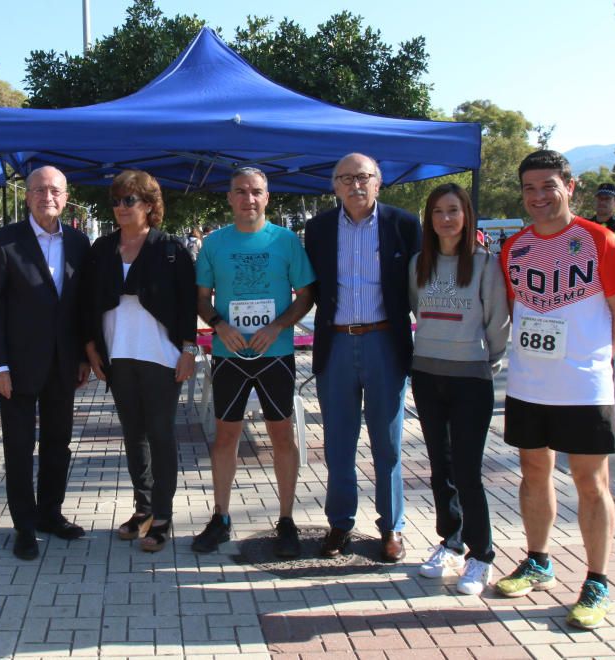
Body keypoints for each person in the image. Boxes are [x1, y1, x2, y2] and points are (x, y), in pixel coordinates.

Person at [496, 150, 615, 630]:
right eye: (530, 188)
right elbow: (518, 313)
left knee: (590, 482)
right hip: (529, 384)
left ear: (570, 187)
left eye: (548, 186)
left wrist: (598, 360)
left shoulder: (599, 240)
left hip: (584, 387)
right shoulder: (513, 247)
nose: (538, 197)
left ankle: (597, 580)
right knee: (533, 472)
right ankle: (538, 559)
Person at [191, 167, 315, 558]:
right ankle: (221, 516)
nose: (248, 198)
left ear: (267, 197)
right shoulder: (215, 243)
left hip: (274, 354)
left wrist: (278, 324)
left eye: (256, 192)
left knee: (282, 436)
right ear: (229, 197)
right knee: (226, 437)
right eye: (240, 192)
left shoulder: (286, 241)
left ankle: (287, 520)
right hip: (231, 356)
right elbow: (200, 298)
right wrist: (218, 324)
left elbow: (306, 295)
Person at [303, 152, 421, 562]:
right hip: (335, 343)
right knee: (338, 443)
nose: (355, 185)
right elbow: (310, 286)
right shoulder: (316, 228)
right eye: (346, 178)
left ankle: (391, 527)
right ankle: (340, 524)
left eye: (364, 177)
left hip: (384, 342)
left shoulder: (403, 225)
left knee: (386, 444)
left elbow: (420, 284)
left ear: (379, 181)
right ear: (334, 186)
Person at [0, 165, 91, 561]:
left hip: (64, 365)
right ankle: (23, 525)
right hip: (18, 367)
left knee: (58, 444)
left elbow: (82, 307)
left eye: (55, 190)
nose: (48, 197)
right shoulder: (4, 242)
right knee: (19, 448)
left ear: (66, 196)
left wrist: (83, 357)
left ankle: (50, 515)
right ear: (27, 196)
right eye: (40, 190)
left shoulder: (79, 243)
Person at [83, 170, 197, 552]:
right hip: (119, 355)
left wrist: (188, 350)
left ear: (149, 206)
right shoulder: (102, 248)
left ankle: (162, 516)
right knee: (134, 435)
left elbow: (186, 304)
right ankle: (143, 507)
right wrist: (91, 348)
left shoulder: (170, 249)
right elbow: (88, 305)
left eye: (129, 200)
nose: (120, 207)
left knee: (161, 434)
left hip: (161, 357)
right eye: (116, 201)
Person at [408, 183, 510, 596]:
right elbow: (417, 309)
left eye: (453, 210)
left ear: (466, 216)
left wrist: (486, 360)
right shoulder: (418, 263)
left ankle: (481, 555)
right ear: (428, 219)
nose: (445, 219)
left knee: (467, 472)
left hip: (471, 378)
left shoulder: (485, 264)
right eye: (437, 212)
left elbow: (498, 321)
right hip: (428, 376)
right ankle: (450, 542)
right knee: (440, 469)